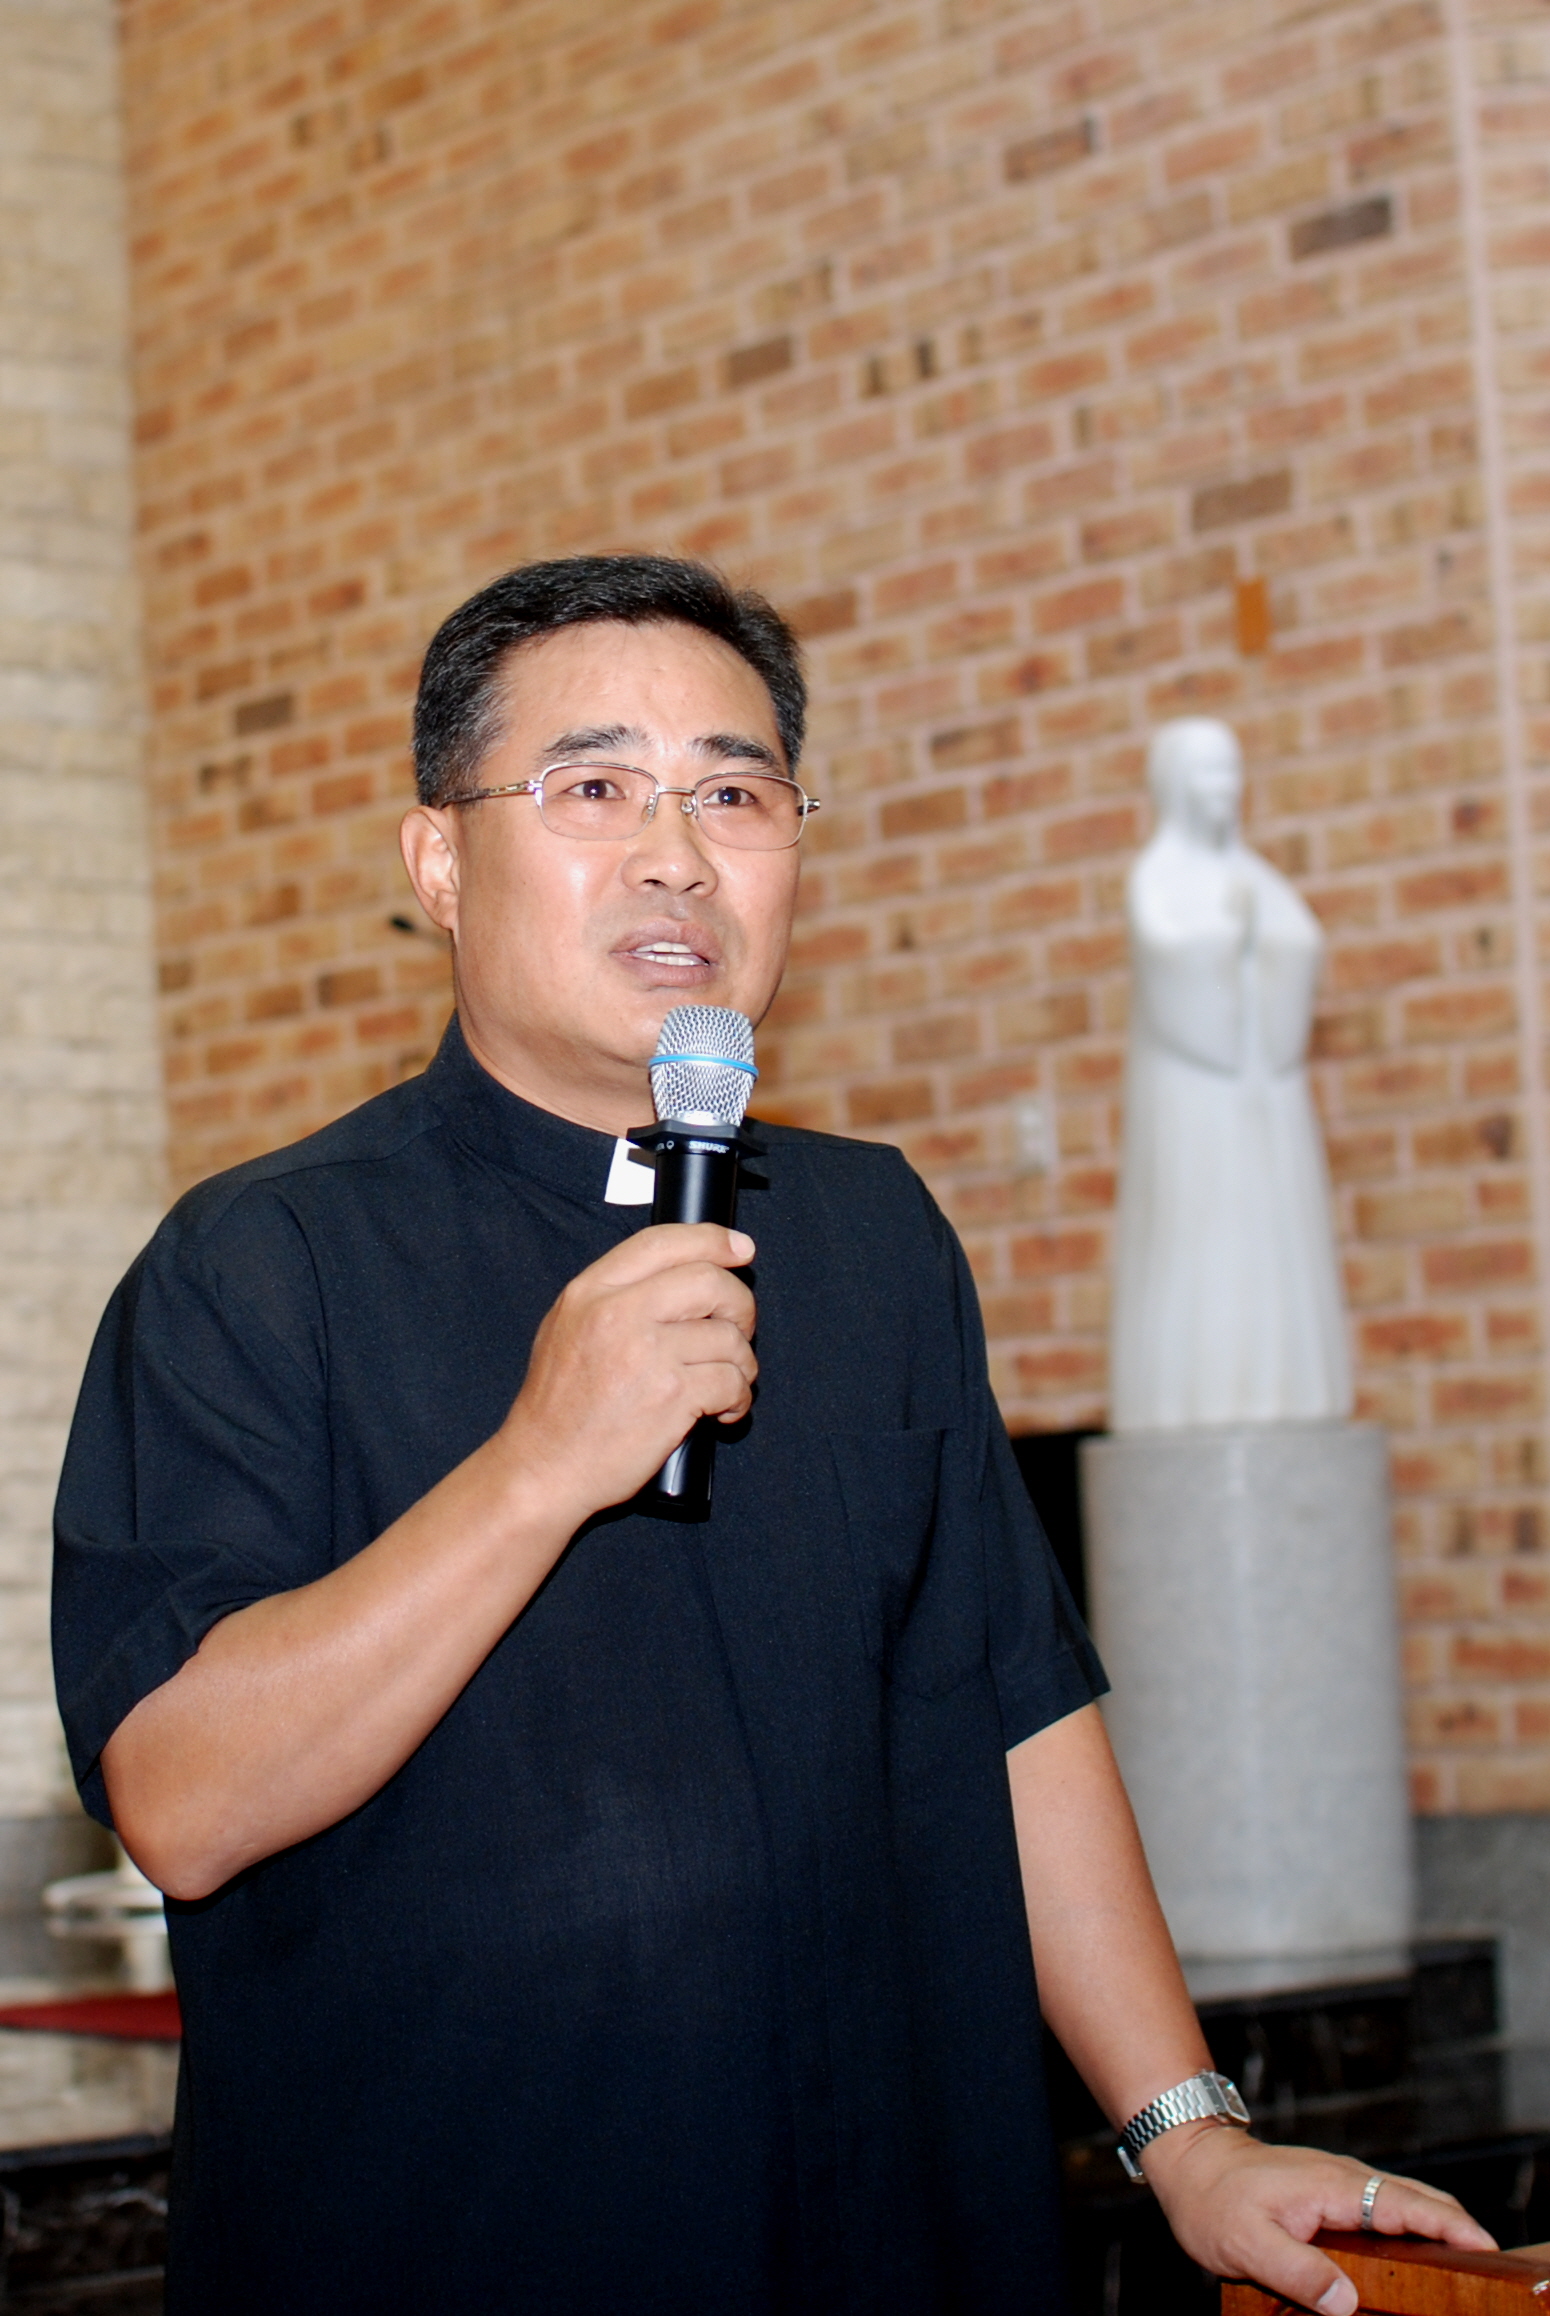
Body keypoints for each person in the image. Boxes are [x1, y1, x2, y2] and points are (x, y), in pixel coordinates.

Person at [52, 557, 1489, 2313]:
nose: (677, 854)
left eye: (735, 795)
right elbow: (181, 1799)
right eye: (594, 788)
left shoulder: (874, 1236)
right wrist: (537, 1466)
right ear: (437, 862)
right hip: (464, 2246)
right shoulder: (261, 1263)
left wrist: (1187, 2132)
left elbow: (1013, 1711)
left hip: (897, 2234)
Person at [1110, 716, 1351, 1430]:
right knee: (1203, 1243)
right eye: (1207, 773)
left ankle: (1288, 1384)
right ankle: (1195, 1391)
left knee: (1272, 1248)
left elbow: (1299, 942)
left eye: (1231, 771)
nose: (1224, 788)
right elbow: (1176, 966)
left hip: (1265, 1098)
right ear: (1174, 785)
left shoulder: (1258, 877)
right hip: (1195, 1103)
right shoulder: (1157, 878)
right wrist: (1231, 940)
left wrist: (1256, 941)